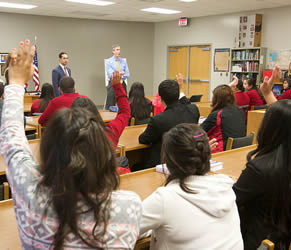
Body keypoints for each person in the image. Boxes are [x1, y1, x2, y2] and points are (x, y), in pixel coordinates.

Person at [1, 40, 142, 250]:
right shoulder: (130, 205)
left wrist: (15, 83)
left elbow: (12, 139)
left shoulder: (31, 198)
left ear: (50, 148)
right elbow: (124, 113)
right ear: (102, 146)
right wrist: (117, 87)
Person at [233, 66, 291, 250]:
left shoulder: (260, 167)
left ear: (267, 128)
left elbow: (232, 200)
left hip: (263, 241)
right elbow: (288, 120)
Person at [139, 123, 243, 250]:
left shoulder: (165, 199)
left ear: (169, 160)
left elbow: (125, 227)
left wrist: (153, 225)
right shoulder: (226, 185)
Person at [139, 79, 200, 169]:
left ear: (160, 98)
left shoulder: (158, 120)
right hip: (188, 160)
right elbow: (186, 103)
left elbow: (143, 139)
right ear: (178, 94)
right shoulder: (193, 110)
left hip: (164, 164)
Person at [201, 85, 246, 153]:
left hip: (220, 151)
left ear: (216, 99)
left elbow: (200, 133)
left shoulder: (217, 115)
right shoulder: (240, 110)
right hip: (238, 151)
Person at [105, 45, 129, 109]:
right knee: (110, 103)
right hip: (113, 83)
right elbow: (111, 75)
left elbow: (127, 74)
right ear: (113, 51)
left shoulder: (123, 61)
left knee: (125, 102)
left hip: (122, 82)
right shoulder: (108, 61)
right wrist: (120, 73)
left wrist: (118, 74)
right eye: (117, 50)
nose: (119, 51)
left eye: (119, 50)